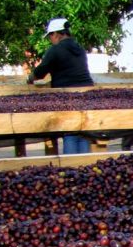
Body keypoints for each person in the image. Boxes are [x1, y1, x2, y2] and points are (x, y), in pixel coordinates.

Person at [27, 17, 94, 154]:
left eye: (50, 35)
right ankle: (84, 167)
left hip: (67, 96)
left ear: (57, 34)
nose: (50, 39)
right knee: (83, 131)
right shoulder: (79, 49)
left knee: (70, 132)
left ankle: (72, 168)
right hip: (87, 95)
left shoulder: (56, 50)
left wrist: (30, 79)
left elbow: (40, 72)